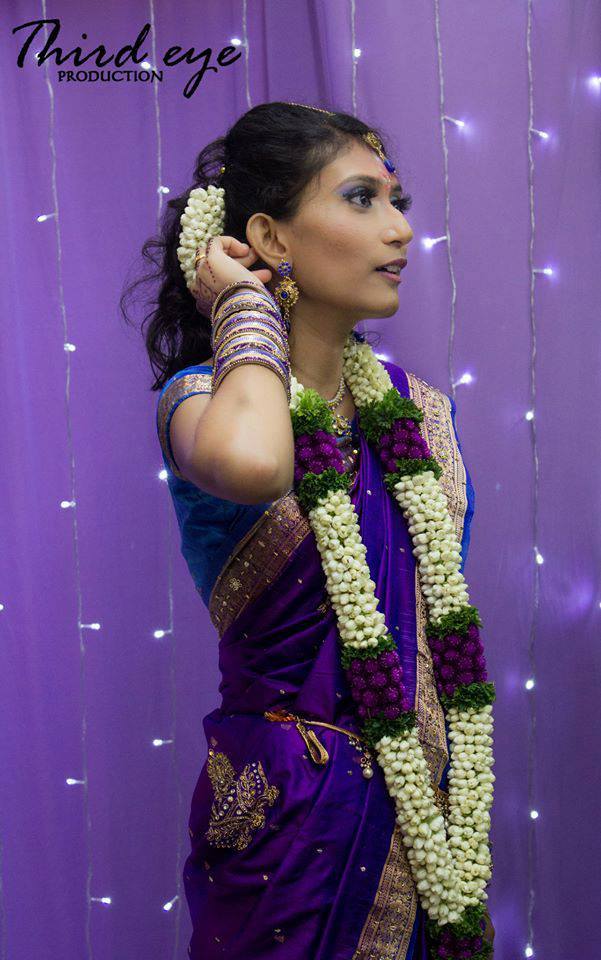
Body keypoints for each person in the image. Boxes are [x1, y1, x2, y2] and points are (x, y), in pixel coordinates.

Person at [126, 102, 495, 958]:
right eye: (363, 199)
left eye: (398, 202)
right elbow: (256, 464)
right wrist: (241, 305)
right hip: (287, 832)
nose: (401, 230)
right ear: (271, 235)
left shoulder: (419, 415)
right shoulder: (202, 400)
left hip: (426, 825)